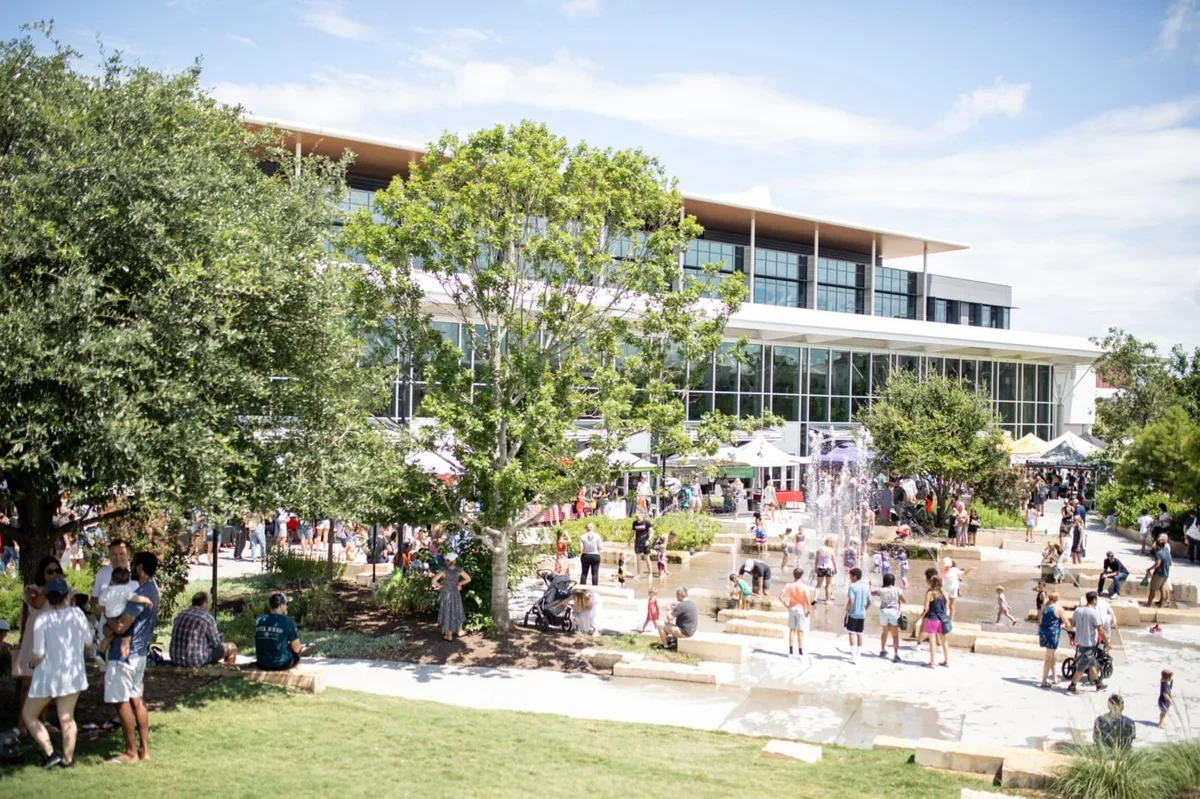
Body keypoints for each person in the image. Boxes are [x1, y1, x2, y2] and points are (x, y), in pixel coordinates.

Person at [22, 577, 90, 769]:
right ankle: (68, 761)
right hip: (73, 674)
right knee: (67, 718)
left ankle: (51, 753)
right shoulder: (77, 615)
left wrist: (30, 663)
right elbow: (88, 642)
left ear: (48, 597)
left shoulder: (43, 619)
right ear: (68, 594)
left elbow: (38, 653)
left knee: (29, 715)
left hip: (48, 676)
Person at [102, 551, 160, 764]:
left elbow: (121, 626)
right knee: (137, 699)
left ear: (140, 567)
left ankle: (130, 752)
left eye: (133, 564)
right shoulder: (153, 590)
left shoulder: (141, 593)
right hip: (140, 655)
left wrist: (108, 621)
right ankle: (145, 751)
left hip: (124, 656)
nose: (130, 568)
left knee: (120, 701)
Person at [14, 556, 64, 737]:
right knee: (27, 684)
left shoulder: (65, 591)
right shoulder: (32, 590)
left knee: (48, 684)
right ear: (42, 573)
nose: (54, 574)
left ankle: (42, 720)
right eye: (50, 571)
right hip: (34, 641)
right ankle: (22, 723)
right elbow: (36, 603)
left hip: (53, 642)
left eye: (57, 570)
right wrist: (48, 588)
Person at [97, 567, 154, 660]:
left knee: (108, 637)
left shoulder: (108, 590)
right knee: (126, 639)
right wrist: (146, 600)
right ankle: (124, 658)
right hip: (120, 617)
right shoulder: (126, 589)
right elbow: (135, 598)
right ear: (128, 580)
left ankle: (101, 653)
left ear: (112, 578)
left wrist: (104, 608)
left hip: (110, 616)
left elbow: (100, 602)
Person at [170, 592, 237, 667]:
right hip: (194, 660)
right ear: (204, 603)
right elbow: (217, 643)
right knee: (232, 647)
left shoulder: (181, 614)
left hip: (175, 658)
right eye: (210, 602)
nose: (210, 604)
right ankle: (227, 672)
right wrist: (220, 636)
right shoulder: (207, 618)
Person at [1066, 591, 1108, 695]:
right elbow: (1100, 629)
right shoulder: (1094, 612)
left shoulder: (1078, 610)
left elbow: (1073, 623)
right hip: (1089, 643)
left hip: (1080, 642)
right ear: (1094, 600)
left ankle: (1098, 684)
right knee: (1082, 667)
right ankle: (1072, 686)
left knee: (1091, 663)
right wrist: (1107, 642)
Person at [255, 592, 309, 671]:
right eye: (285, 604)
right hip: (281, 664)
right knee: (298, 653)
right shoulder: (288, 621)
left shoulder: (260, 620)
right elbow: (297, 649)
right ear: (281, 606)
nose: (286, 607)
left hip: (261, 664)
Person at [431, 551, 471, 641]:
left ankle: (448, 635)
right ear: (454, 561)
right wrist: (459, 583)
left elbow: (434, 580)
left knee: (447, 611)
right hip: (455, 592)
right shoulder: (459, 570)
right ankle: (459, 630)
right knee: (457, 609)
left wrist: (440, 586)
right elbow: (468, 579)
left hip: (446, 593)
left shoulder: (444, 570)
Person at [779, 568, 811, 658]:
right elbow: (808, 601)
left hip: (792, 607)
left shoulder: (789, 585)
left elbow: (780, 596)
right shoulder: (804, 587)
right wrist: (809, 610)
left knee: (792, 630)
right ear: (802, 575)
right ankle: (800, 652)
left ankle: (791, 651)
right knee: (800, 631)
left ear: (793, 575)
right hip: (801, 608)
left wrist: (786, 605)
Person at [873, 572, 904, 663]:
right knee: (895, 635)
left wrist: (870, 585)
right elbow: (904, 599)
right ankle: (896, 654)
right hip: (894, 612)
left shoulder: (881, 590)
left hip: (883, 611)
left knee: (885, 632)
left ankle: (883, 650)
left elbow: (872, 592)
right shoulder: (897, 590)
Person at [1038, 589, 1066, 688]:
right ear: (1057, 599)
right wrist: (1063, 625)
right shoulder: (1058, 609)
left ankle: (1054, 677)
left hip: (1044, 632)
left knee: (1052, 655)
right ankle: (1043, 682)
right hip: (1052, 634)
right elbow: (1067, 623)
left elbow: (1042, 620)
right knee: (1048, 658)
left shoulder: (1044, 607)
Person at [922, 576, 950, 668]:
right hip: (942, 619)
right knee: (944, 640)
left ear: (932, 583)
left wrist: (922, 615)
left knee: (932, 641)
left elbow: (926, 608)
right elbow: (947, 608)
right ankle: (946, 661)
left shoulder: (930, 593)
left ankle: (932, 662)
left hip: (932, 619)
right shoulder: (945, 593)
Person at [843, 568, 870, 664]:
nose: (849, 578)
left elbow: (851, 599)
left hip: (853, 613)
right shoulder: (866, 587)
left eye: (850, 576)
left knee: (851, 633)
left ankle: (853, 655)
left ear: (855, 576)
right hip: (862, 614)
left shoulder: (852, 586)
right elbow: (870, 601)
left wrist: (847, 609)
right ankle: (859, 654)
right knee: (860, 633)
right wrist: (865, 609)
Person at [1145, 538, 1172, 608]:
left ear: (1157, 545)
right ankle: (1161, 605)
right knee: (1163, 589)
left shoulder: (1158, 553)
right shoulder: (1167, 552)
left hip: (1159, 574)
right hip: (1166, 574)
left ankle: (1148, 604)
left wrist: (1149, 569)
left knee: (1152, 589)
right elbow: (1170, 563)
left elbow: (1157, 564)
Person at [940, 557, 967, 621]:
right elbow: (939, 579)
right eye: (945, 566)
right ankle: (944, 618)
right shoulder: (942, 571)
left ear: (950, 566)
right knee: (945, 604)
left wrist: (967, 570)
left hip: (953, 589)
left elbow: (963, 573)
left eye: (947, 566)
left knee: (951, 606)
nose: (946, 568)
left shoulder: (954, 570)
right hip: (945, 590)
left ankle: (951, 620)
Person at [630, 513, 653, 579]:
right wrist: (629, 540)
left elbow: (651, 532)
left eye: (638, 516)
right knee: (638, 559)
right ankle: (638, 574)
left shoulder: (646, 522)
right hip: (638, 543)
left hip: (645, 543)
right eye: (636, 517)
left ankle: (650, 574)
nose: (637, 518)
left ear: (641, 516)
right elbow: (633, 532)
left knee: (647, 558)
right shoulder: (634, 523)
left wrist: (649, 540)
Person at [814, 537, 837, 603]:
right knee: (828, 585)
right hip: (829, 568)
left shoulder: (819, 549)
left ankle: (815, 598)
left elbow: (816, 560)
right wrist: (835, 569)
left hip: (820, 568)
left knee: (818, 585)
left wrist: (815, 568)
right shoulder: (831, 550)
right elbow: (834, 561)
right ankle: (827, 600)